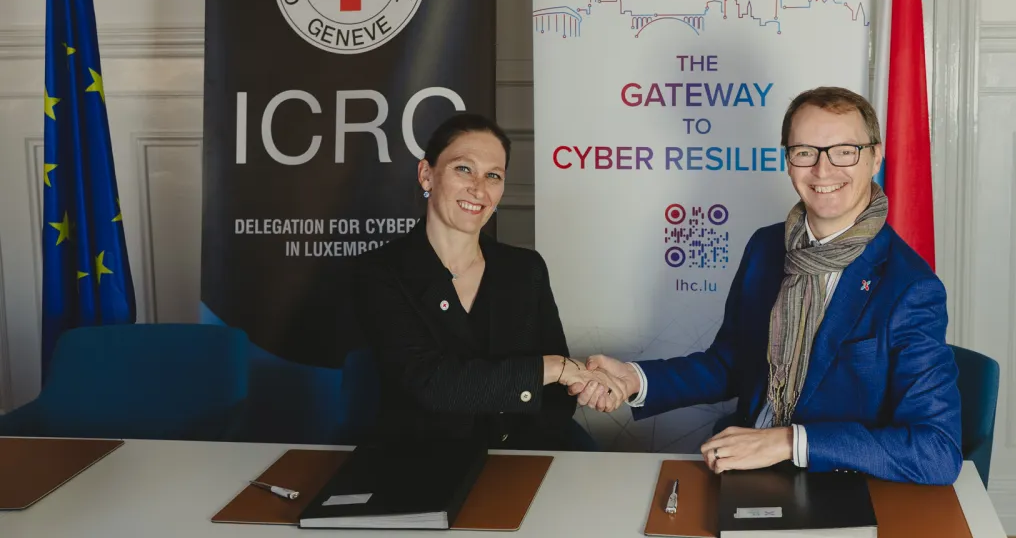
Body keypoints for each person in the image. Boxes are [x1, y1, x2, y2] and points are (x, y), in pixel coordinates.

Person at [572, 87, 963, 484]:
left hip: (836, 484)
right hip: (746, 471)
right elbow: (730, 365)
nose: (823, 170)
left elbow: (937, 451)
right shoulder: (765, 247)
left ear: (875, 156)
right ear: (788, 161)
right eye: (805, 151)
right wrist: (636, 379)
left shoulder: (910, 287)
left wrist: (789, 442)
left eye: (845, 150)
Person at [352, 112, 622, 451]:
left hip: (526, 453)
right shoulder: (380, 272)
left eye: (493, 175)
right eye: (463, 168)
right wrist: (555, 368)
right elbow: (432, 384)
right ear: (426, 175)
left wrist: (584, 384)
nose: (479, 188)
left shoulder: (526, 269)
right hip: (422, 460)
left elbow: (556, 397)